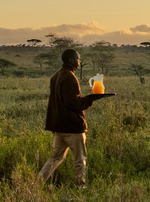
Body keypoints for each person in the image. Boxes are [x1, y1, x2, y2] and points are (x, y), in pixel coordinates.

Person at [38, 48, 112, 186]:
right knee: (80, 159)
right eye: (78, 59)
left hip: (58, 126)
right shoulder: (69, 77)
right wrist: (91, 98)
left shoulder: (57, 75)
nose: (79, 61)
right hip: (71, 126)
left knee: (55, 157)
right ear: (71, 60)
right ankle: (80, 187)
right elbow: (73, 103)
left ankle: (37, 183)